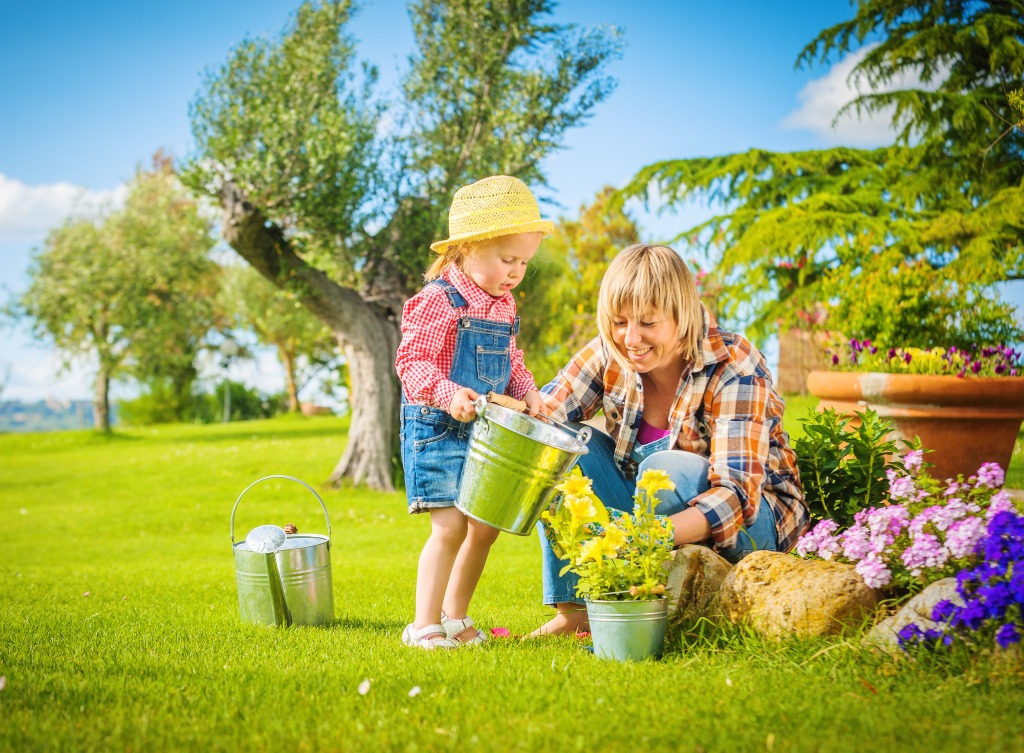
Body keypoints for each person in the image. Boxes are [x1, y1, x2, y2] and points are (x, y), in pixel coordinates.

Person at [533, 243, 808, 636]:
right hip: (649, 519)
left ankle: (672, 601)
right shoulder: (612, 352)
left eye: (647, 322)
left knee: (663, 469)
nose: (631, 338)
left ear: (682, 315)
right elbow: (547, 411)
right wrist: (492, 407)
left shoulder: (733, 364)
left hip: (752, 521)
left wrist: (644, 538)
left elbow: (736, 494)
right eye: (619, 321)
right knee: (558, 444)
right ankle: (577, 611)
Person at [395, 175, 552, 649]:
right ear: (467, 248)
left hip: (484, 432)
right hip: (438, 429)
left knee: (484, 528)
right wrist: (448, 395)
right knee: (450, 526)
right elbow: (411, 362)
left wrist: (531, 393)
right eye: (508, 260)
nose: (516, 272)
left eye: (524, 262)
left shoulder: (504, 305)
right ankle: (423, 626)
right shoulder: (437, 300)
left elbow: (512, 360)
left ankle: (454, 617)